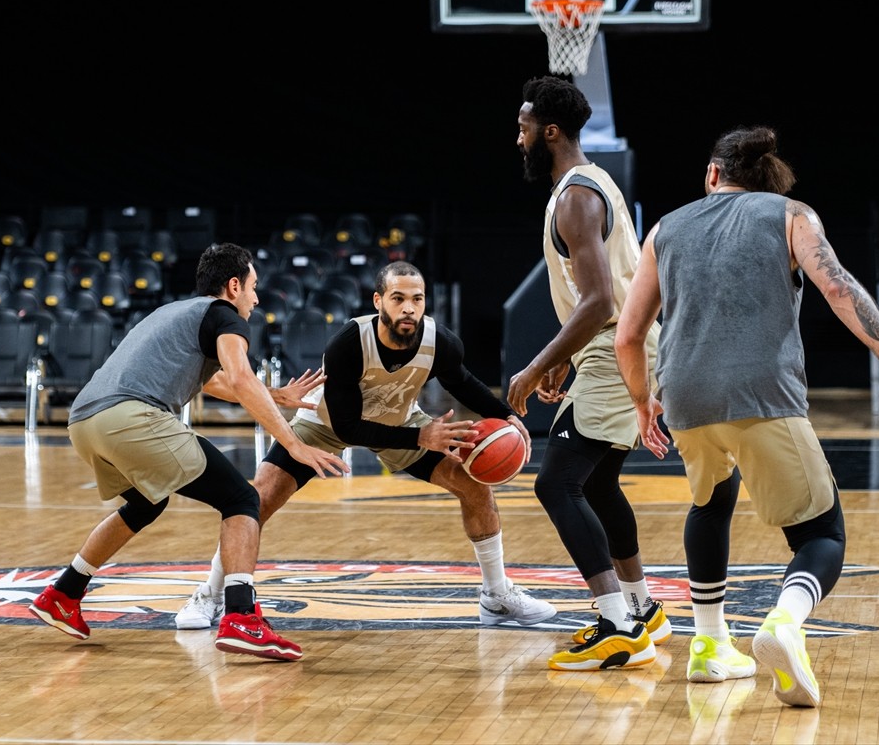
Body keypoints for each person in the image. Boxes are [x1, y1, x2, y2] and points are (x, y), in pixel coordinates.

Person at [615, 125, 879, 703]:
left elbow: (629, 335)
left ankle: (708, 649)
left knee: (710, 502)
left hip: (684, 396)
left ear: (712, 174)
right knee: (821, 533)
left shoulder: (665, 228)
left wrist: (642, 402)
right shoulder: (791, 214)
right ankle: (782, 623)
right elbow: (838, 287)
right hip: (761, 393)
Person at [175, 260, 556, 630]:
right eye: (398, 298)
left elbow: (463, 382)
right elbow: (348, 428)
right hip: (327, 423)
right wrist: (421, 437)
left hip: (400, 420)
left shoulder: (439, 340)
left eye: (417, 299)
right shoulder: (348, 343)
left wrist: (507, 415)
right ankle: (211, 592)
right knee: (260, 495)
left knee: (474, 486)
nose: (409, 307)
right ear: (378, 301)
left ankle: (496, 594)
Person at [28, 242, 350, 662]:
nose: (256, 298)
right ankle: (240, 616)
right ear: (233, 286)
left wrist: (274, 395)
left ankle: (64, 592)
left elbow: (215, 382)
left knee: (146, 504)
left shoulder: (173, 312)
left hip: (85, 421)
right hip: (130, 417)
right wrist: (293, 443)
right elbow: (238, 377)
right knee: (241, 499)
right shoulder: (225, 316)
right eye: (253, 287)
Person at [508, 75, 668, 672]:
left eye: (524, 126)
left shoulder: (575, 196)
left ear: (549, 131)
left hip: (613, 348)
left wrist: (537, 364)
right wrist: (566, 359)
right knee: (598, 485)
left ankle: (618, 625)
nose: (518, 137)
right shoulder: (590, 183)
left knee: (558, 484)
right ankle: (643, 607)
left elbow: (600, 300)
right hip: (616, 350)